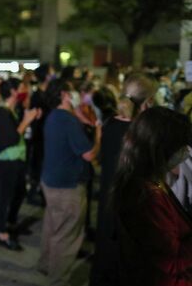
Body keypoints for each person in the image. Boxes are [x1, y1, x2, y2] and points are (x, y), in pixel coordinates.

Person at [89, 72, 158, 286]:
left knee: (104, 262)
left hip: (107, 208)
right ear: (148, 102)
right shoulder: (142, 133)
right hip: (129, 211)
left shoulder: (110, 124)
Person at [111, 107, 192, 286]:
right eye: (182, 147)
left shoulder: (146, 178)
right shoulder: (146, 197)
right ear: (162, 149)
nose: (186, 152)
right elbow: (172, 261)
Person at [37, 78, 101, 286]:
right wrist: (99, 134)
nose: (76, 95)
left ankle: (46, 264)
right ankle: (58, 279)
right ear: (64, 94)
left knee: (52, 225)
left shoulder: (54, 116)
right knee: (67, 235)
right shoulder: (68, 120)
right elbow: (89, 154)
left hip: (50, 181)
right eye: (72, 91)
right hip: (68, 186)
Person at [0, 78, 39, 250]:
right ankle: (1, 232)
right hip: (5, 161)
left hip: (17, 159)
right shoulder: (1, 112)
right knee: (6, 197)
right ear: (13, 92)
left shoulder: (13, 110)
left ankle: (11, 222)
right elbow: (10, 139)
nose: (25, 90)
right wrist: (26, 121)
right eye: (22, 87)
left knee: (20, 192)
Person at [28, 64, 54, 205]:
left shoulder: (50, 93)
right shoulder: (37, 95)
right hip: (39, 135)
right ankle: (34, 190)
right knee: (38, 163)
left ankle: (42, 191)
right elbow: (34, 117)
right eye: (51, 73)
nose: (53, 75)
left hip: (48, 134)